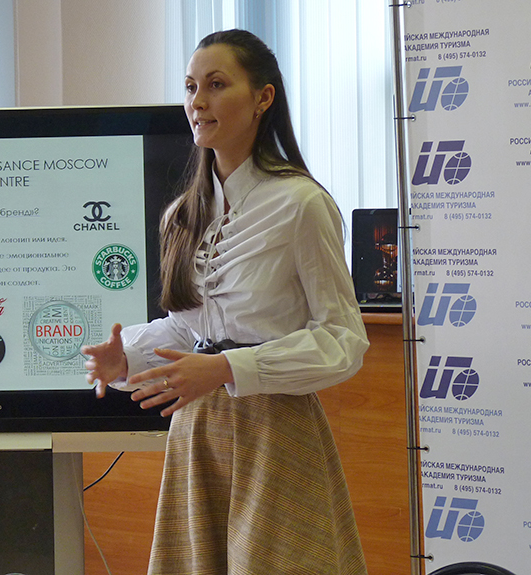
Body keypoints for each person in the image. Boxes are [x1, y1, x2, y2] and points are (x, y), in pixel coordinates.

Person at [81, 29, 370, 575]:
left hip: (277, 430)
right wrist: (127, 360)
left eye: (216, 84)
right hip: (197, 431)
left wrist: (227, 368)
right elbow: (189, 329)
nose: (198, 101)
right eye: (191, 87)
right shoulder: (182, 215)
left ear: (263, 97)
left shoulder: (301, 203)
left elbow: (343, 341)